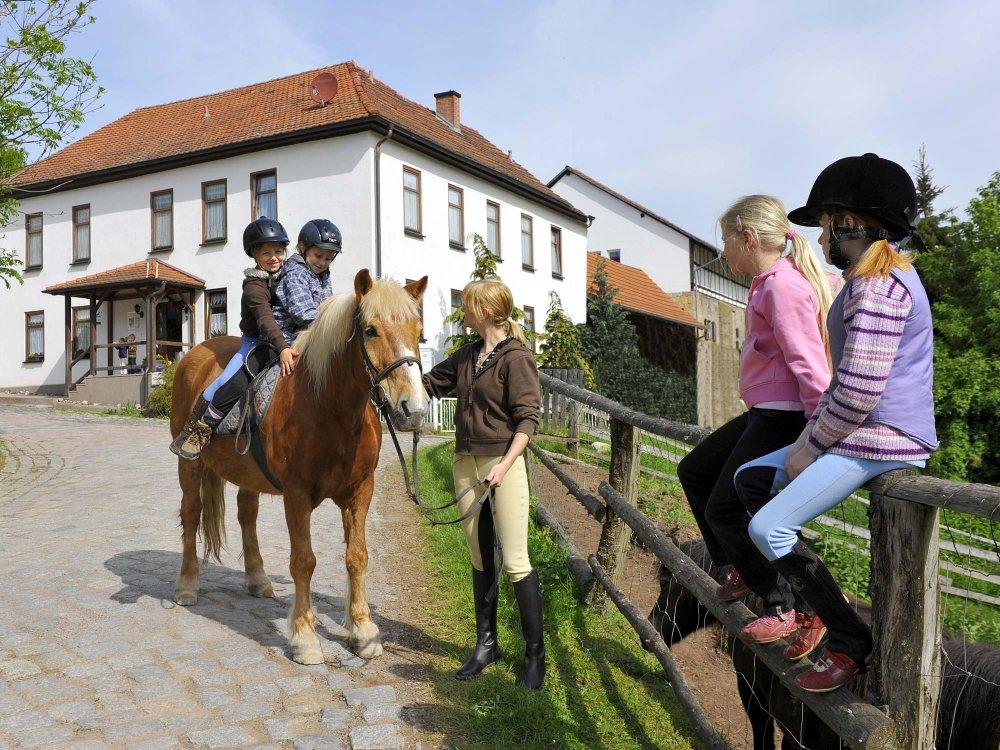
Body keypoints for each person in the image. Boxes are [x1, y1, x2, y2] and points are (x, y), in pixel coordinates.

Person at [735, 154, 937, 692]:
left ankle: (850, 640)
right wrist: (809, 440)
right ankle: (811, 603)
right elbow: (846, 385)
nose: (820, 238)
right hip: (861, 431)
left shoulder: (878, 287)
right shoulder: (869, 280)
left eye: (826, 225)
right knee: (750, 478)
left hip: (885, 438)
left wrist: (808, 446)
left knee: (767, 527)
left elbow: (860, 388)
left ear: (851, 223)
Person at [666, 195, 837, 661]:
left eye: (727, 241)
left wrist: (816, 434)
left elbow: (810, 364)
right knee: (695, 471)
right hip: (766, 410)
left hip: (787, 415)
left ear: (748, 237)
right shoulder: (765, 284)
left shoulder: (781, 286)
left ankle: (787, 603)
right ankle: (738, 564)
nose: (724, 252)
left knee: (725, 507)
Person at [422, 280, 545, 690]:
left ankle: (534, 656)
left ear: (488, 311)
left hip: (502, 464)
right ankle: (486, 644)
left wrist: (506, 464)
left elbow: (528, 419)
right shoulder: (468, 356)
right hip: (465, 463)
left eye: (468, 306)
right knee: (479, 557)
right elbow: (425, 384)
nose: (463, 313)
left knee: (514, 560)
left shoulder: (516, 358)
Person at [169, 217, 298, 460]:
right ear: (255, 256)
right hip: (257, 343)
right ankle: (202, 429)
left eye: (279, 251)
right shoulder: (254, 285)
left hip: (290, 339)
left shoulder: (291, 275)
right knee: (230, 382)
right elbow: (265, 319)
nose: (274, 257)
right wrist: (282, 347)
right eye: (266, 252)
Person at [273, 219, 340, 346]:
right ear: (303, 248)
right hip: (286, 339)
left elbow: (327, 306)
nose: (322, 263)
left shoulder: (323, 275)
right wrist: (337, 322)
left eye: (328, 259)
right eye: (318, 256)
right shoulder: (295, 274)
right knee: (282, 366)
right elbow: (303, 314)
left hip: (310, 337)